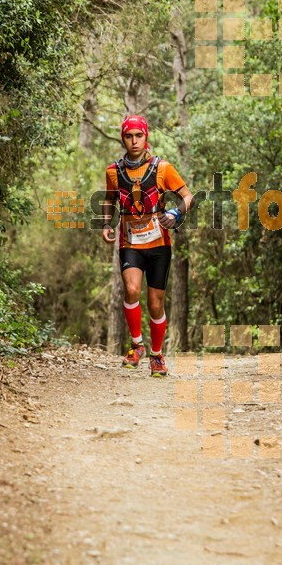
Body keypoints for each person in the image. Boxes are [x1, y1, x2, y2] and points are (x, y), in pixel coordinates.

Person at [102, 115, 193, 376]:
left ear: (146, 137)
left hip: (159, 244)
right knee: (131, 289)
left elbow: (188, 197)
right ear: (123, 138)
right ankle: (136, 345)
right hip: (129, 242)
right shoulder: (113, 171)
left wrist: (176, 214)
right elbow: (109, 199)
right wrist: (107, 224)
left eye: (138, 136)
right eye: (129, 136)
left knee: (155, 304)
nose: (134, 141)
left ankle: (156, 355)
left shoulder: (162, 168)